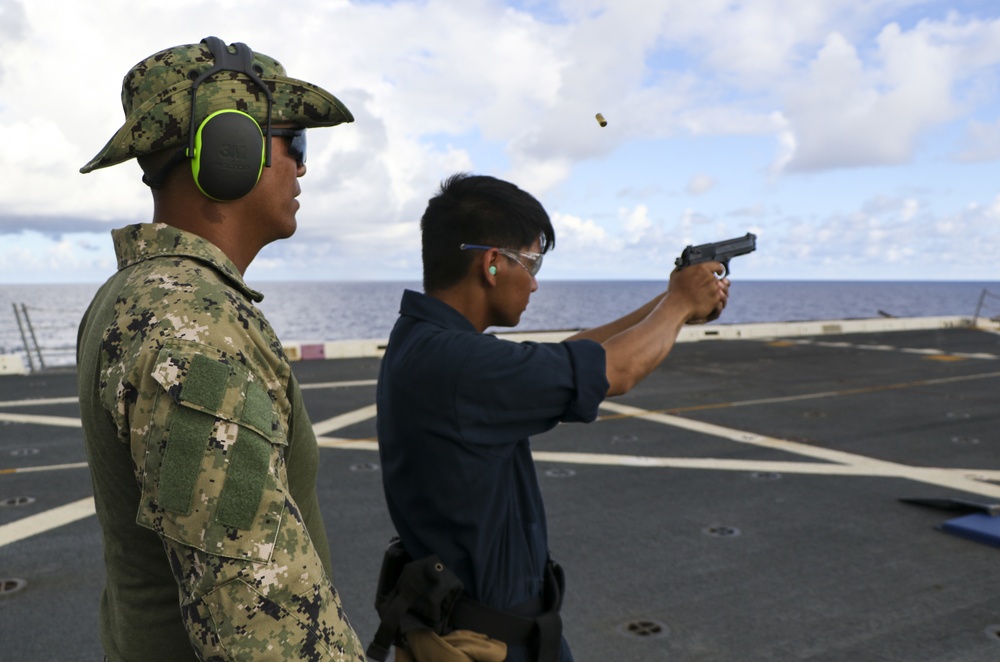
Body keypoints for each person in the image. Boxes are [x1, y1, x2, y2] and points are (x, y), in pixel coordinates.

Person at [76, 37, 365, 661]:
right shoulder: (190, 322)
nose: (303, 167)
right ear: (230, 151)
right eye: (296, 143)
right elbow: (265, 627)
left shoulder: (134, 294)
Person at [372, 173, 730, 662]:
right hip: (488, 644)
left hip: (482, 629)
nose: (536, 282)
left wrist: (673, 306)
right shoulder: (457, 364)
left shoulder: (426, 341)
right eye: (532, 261)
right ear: (492, 264)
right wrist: (681, 302)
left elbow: (569, 356)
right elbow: (615, 370)